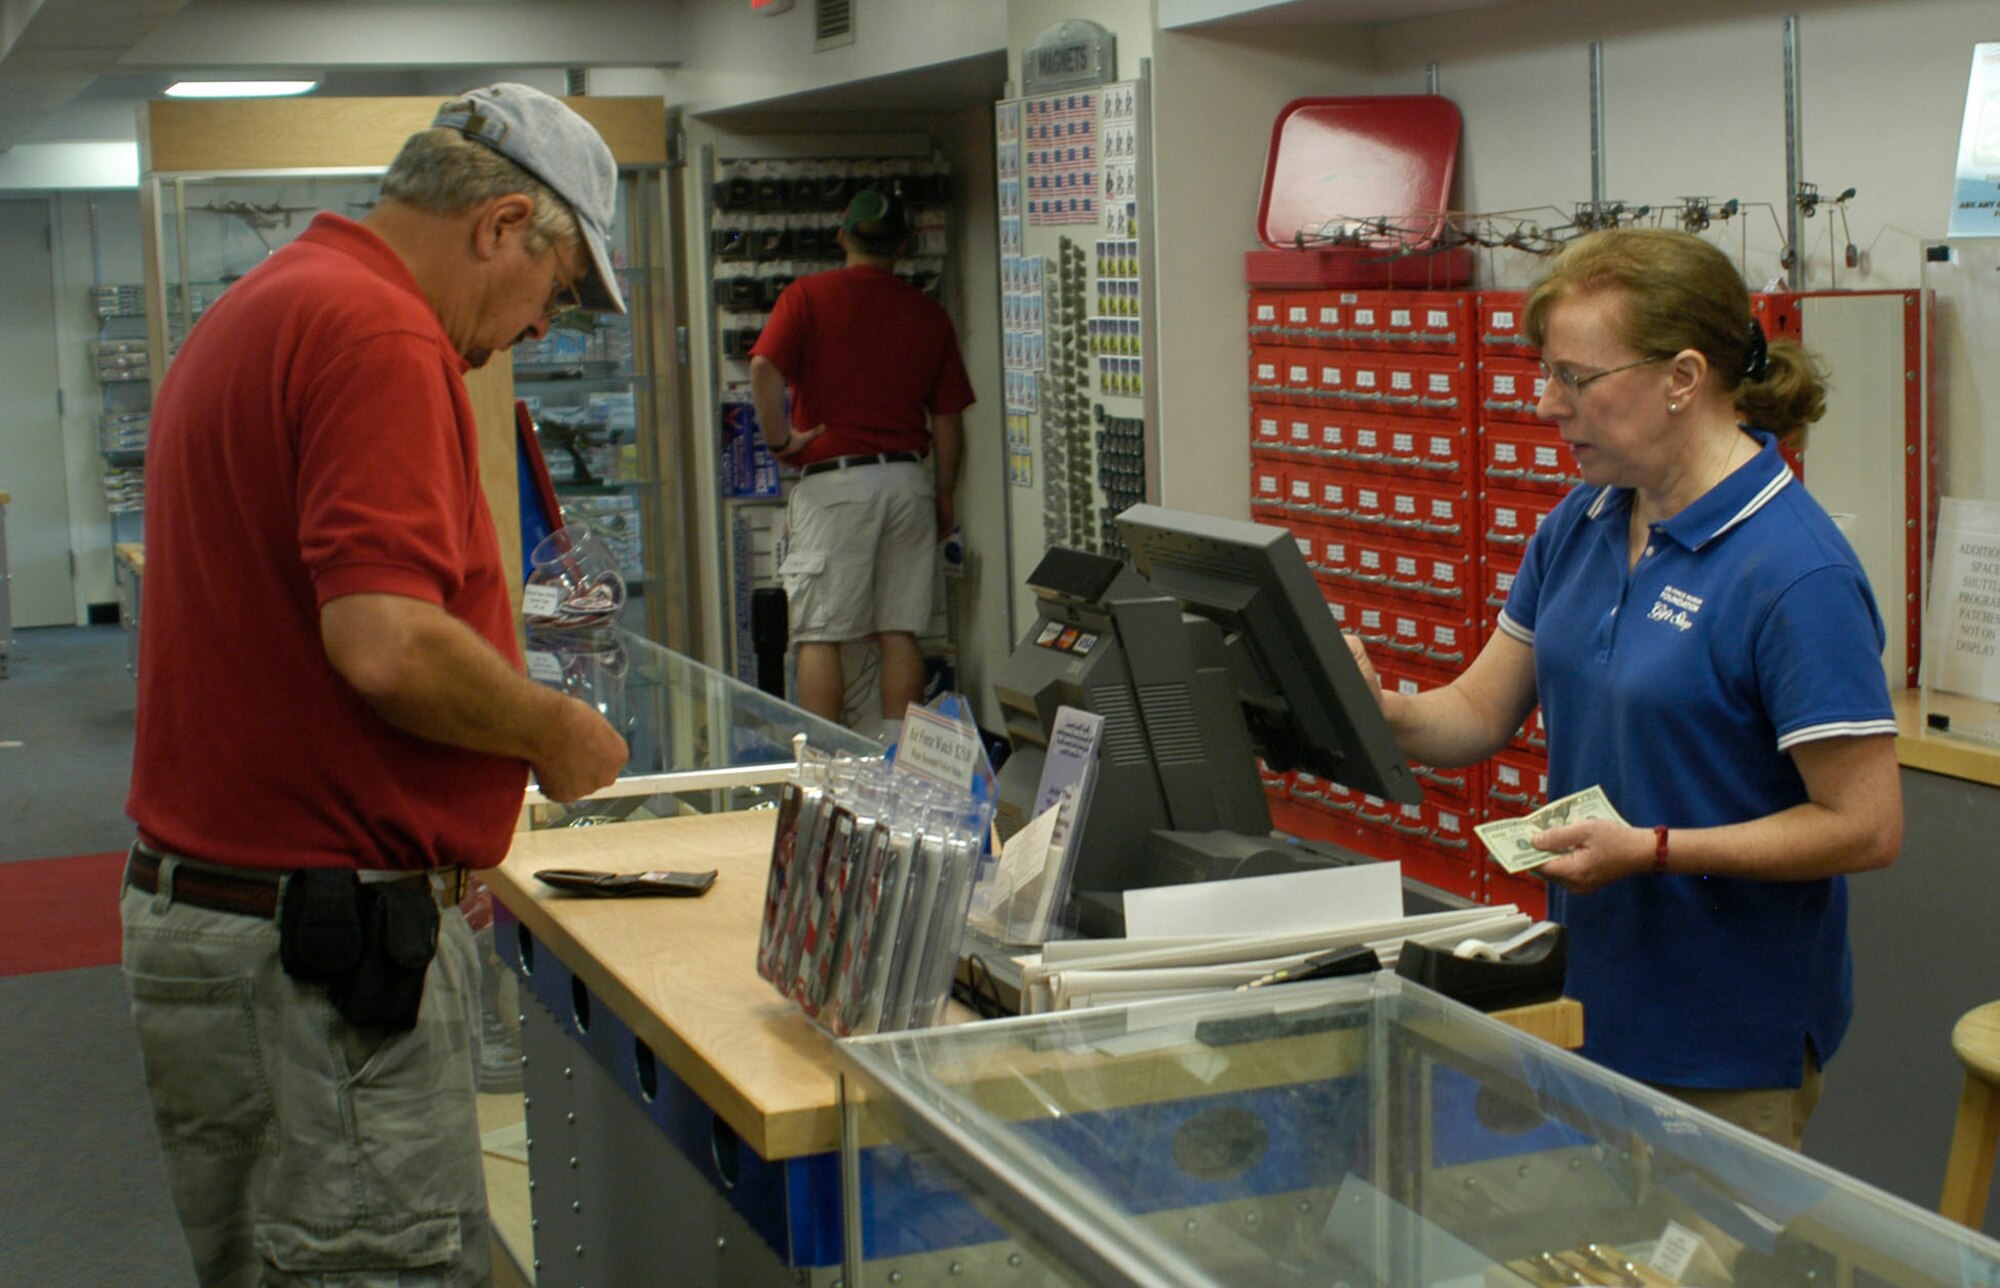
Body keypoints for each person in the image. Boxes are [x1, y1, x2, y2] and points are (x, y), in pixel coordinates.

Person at [121, 83, 630, 1286]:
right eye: (555, 291)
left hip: (236, 927)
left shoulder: (278, 301)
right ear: (502, 225)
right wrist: (549, 727)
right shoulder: (381, 333)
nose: (540, 332)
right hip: (314, 959)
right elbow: (387, 641)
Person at [1348, 228, 1903, 1150]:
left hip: (1725, 1040)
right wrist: (1381, 711)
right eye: (1545, 371)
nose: (1544, 402)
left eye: (1575, 377)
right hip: (1593, 1002)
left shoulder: (1794, 572)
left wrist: (1650, 849)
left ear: (1683, 377)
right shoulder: (1586, 519)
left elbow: (1866, 824)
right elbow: (1482, 710)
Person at [749, 187, 975, 735]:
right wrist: (943, 494)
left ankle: (825, 765)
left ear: (842, 236)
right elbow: (948, 423)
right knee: (900, 631)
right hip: (908, 481)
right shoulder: (928, 315)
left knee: (820, 631)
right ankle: (901, 762)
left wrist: (780, 440)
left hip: (837, 483)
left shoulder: (805, 297)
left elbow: (762, 369)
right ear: (902, 246)